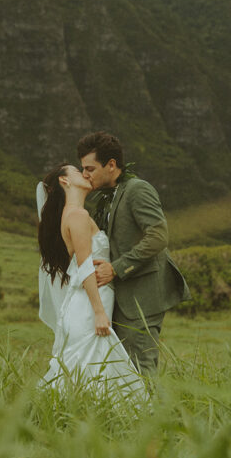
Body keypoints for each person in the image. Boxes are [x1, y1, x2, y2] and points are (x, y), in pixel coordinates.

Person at [77, 131, 190, 374]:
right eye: (82, 169)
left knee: (141, 369)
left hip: (143, 296)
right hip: (121, 298)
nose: (84, 175)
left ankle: (153, 413)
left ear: (111, 165)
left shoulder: (138, 190)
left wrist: (116, 268)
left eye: (89, 169)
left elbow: (158, 236)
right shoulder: (107, 197)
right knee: (122, 371)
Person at [36, 163, 146, 398]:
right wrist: (98, 311)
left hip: (89, 299)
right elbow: (85, 266)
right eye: (77, 171)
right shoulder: (77, 215)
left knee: (93, 367)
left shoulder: (74, 213)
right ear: (65, 181)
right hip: (88, 304)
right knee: (90, 364)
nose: (85, 174)